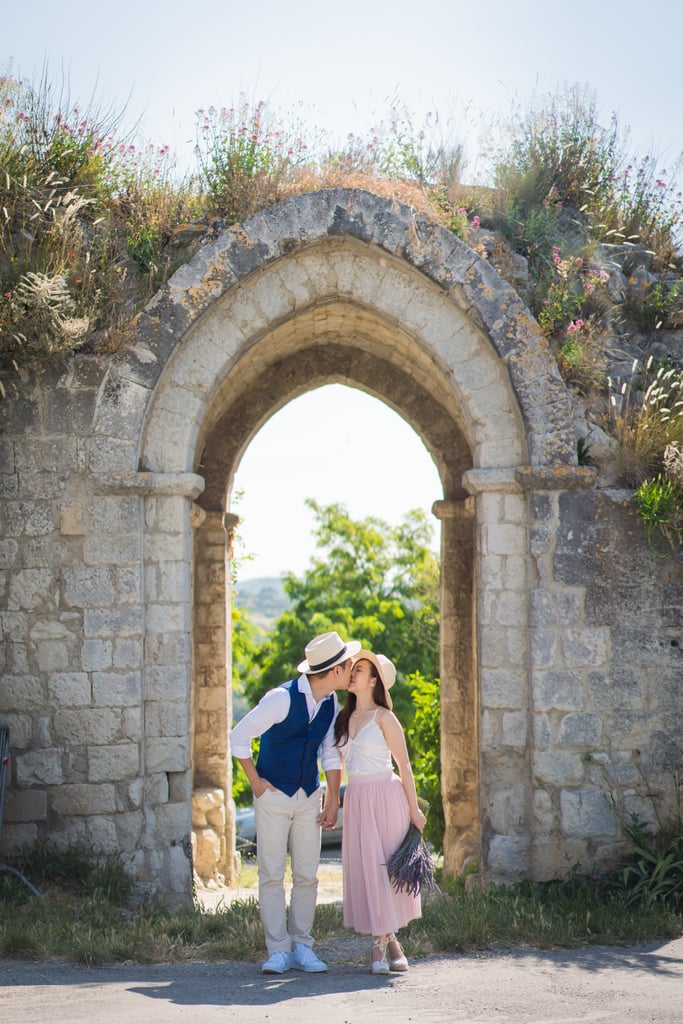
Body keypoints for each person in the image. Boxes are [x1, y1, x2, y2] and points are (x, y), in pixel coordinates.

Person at [230, 630, 360, 975]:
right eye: (347, 666)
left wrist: (332, 798)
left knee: (307, 874)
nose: (350, 672)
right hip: (273, 796)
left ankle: (302, 946)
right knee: (271, 874)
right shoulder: (280, 698)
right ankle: (277, 950)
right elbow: (238, 737)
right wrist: (255, 782)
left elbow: (330, 751)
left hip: (308, 796)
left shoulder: (331, 702)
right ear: (334, 671)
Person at [334, 649, 426, 974]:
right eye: (352, 669)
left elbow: (404, 765)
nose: (353, 673)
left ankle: (378, 946)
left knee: (383, 872)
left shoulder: (386, 718)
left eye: (359, 669)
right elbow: (338, 764)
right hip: (357, 798)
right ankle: (393, 944)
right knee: (367, 871)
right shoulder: (342, 720)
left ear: (374, 680)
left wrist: (414, 808)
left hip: (386, 797)